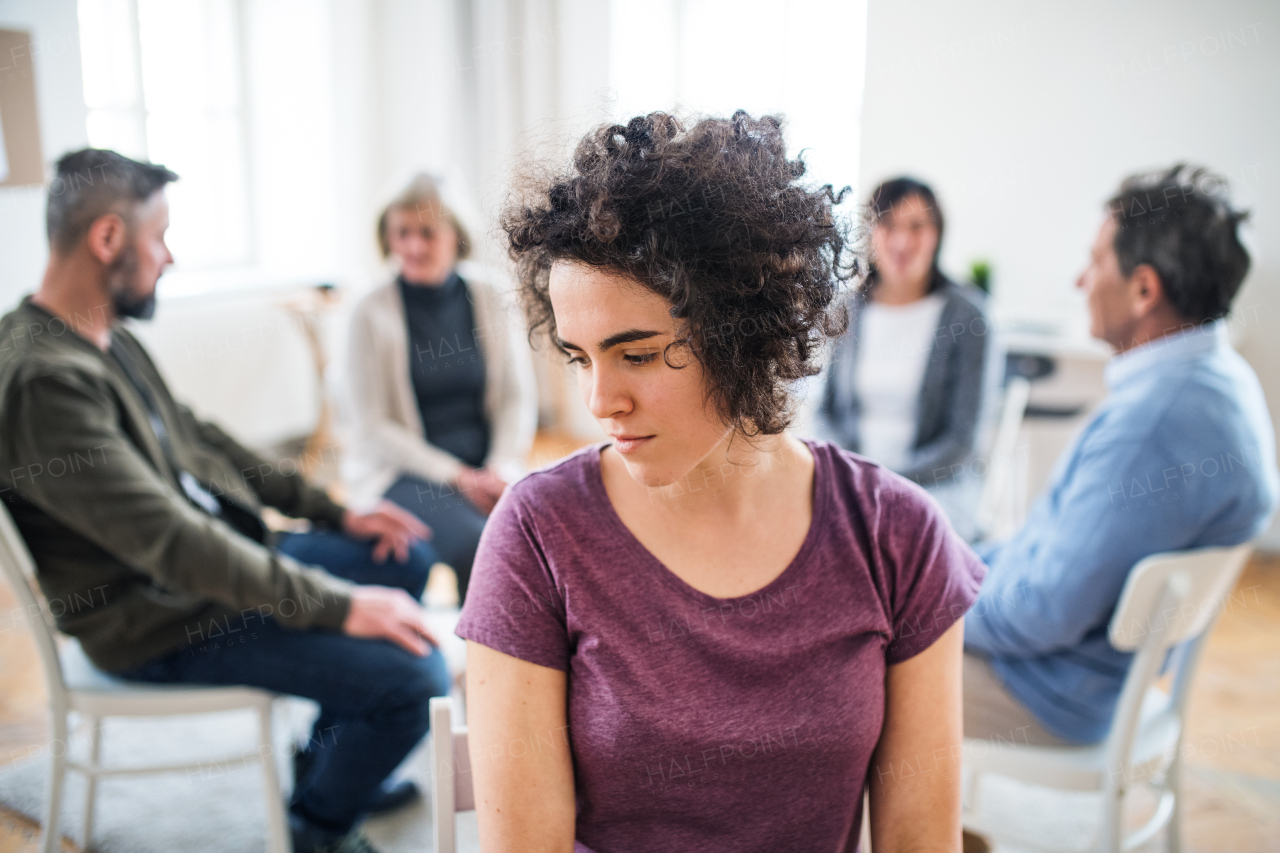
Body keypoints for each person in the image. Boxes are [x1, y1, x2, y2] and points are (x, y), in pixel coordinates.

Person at [457, 112, 987, 853]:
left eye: (635, 354)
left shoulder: (898, 535)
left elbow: (920, 843)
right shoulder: (540, 532)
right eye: (579, 356)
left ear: (741, 332)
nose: (598, 399)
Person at [0, 149, 451, 853]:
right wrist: (340, 605)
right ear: (109, 238)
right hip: (158, 618)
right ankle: (317, 826)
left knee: (397, 552)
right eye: (161, 236)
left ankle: (326, 766)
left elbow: (199, 440)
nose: (169, 257)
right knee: (416, 677)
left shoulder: (99, 335)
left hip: (209, 571)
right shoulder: (43, 382)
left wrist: (334, 509)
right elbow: (173, 543)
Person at [963, 165, 1279, 748]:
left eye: (1096, 261)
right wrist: (953, 565)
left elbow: (1039, 613)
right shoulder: (1222, 379)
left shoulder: (1148, 428)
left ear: (1143, 290)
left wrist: (926, 604)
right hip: (1102, 679)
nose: (1081, 281)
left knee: (852, 668)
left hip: (1048, 694)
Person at [343, 174, 536, 604]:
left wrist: (501, 468)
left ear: (455, 236)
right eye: (402, 233)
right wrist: (459, 477)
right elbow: (373, 428)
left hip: (487, 467)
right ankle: (481, 658)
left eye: (427, 233)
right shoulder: (368, 311)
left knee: (538, 532)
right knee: (483, 544)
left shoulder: (490, 295)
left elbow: (515, 399)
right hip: (405, 474)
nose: (413, 246)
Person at [815, 177, 991, 539]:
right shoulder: (849, 310)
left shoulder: (968, 317)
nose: (902, 241)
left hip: (936, 485)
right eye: (889, 225)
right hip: (854, 479)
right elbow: (826, 414)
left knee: (897, 538)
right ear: (870, 233)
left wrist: (887, 481)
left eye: (916, 227)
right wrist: (854, 475)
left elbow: (961, 442)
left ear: (937, 234)